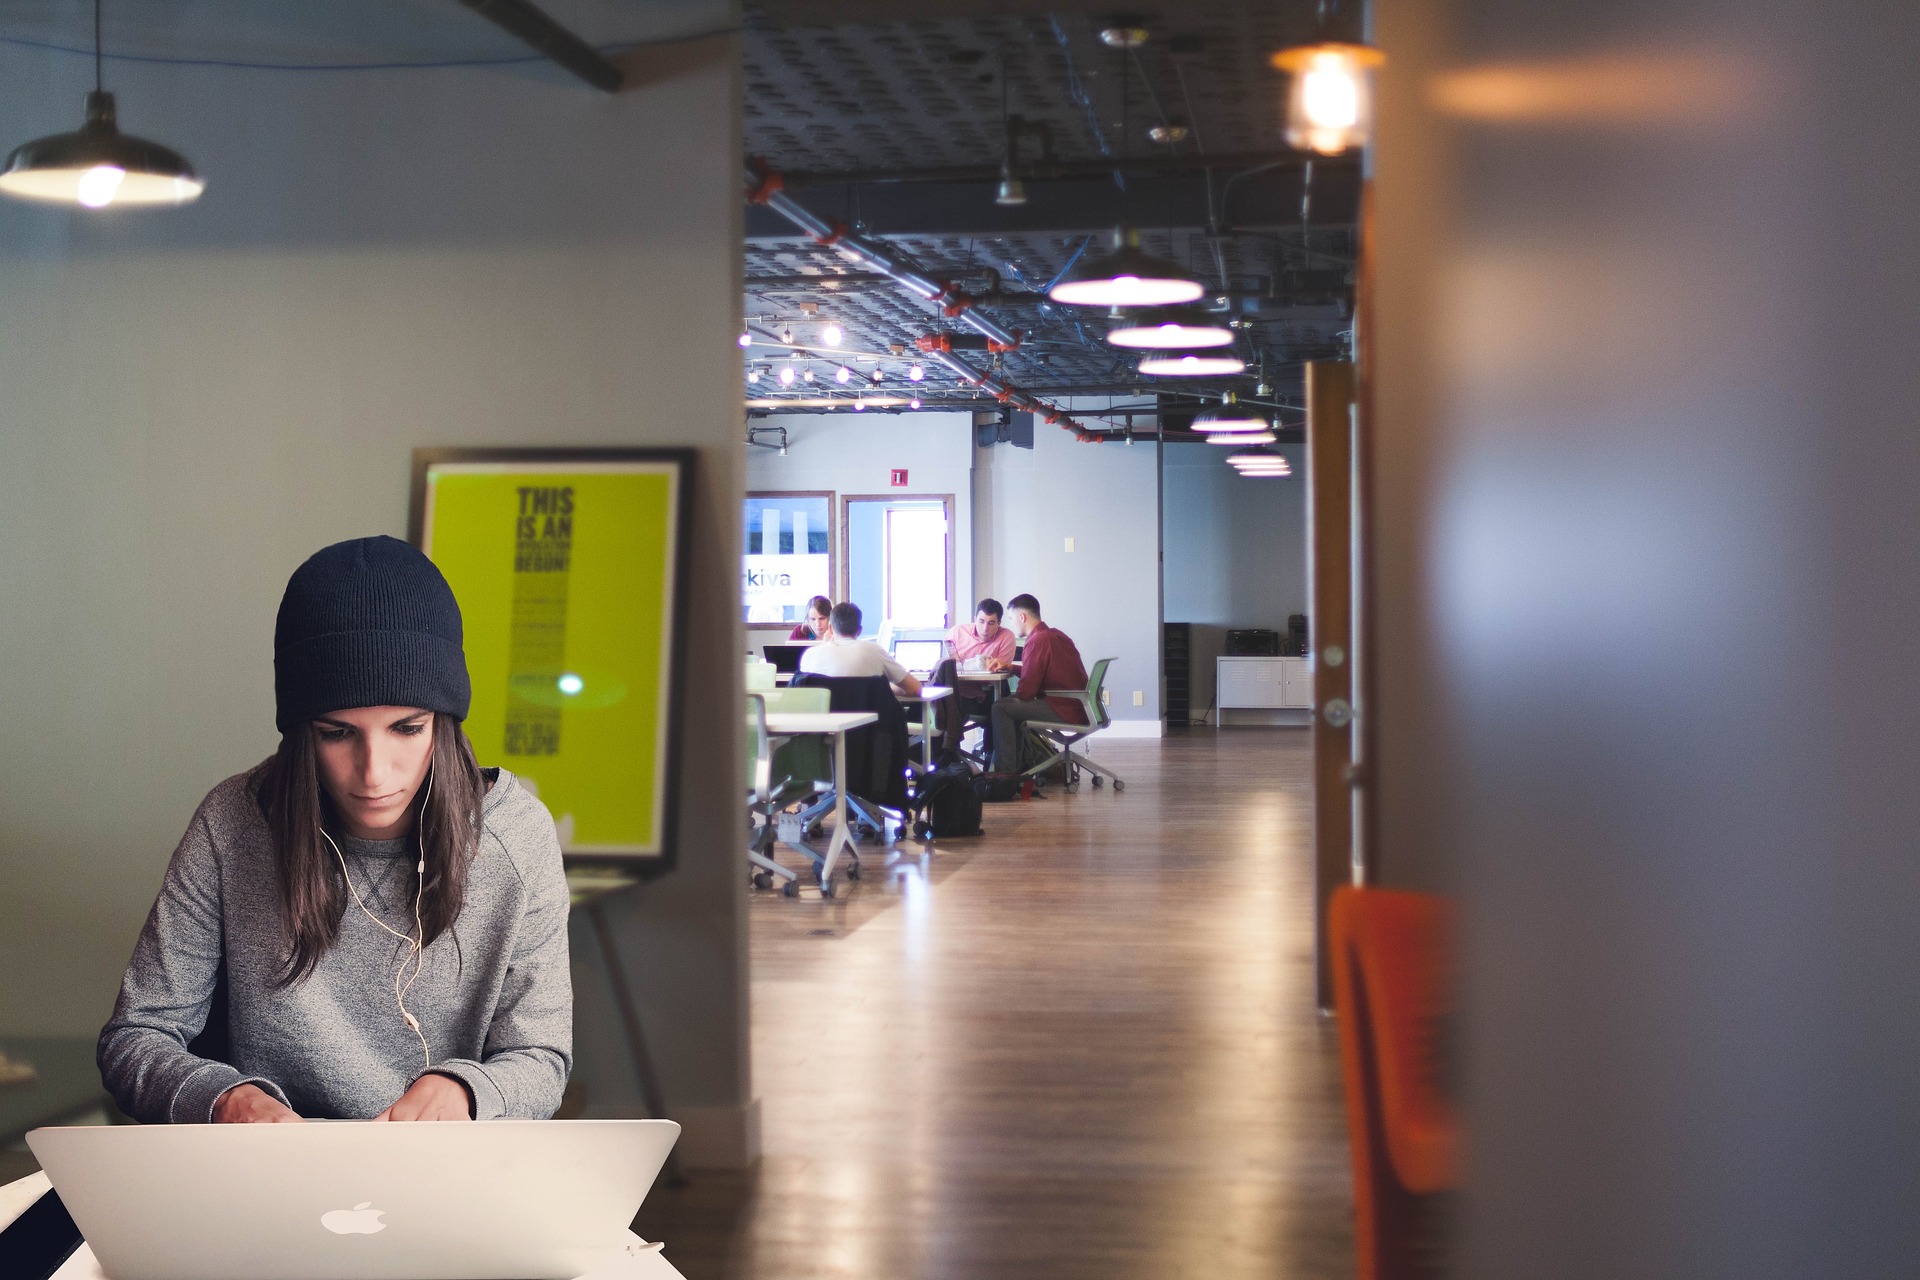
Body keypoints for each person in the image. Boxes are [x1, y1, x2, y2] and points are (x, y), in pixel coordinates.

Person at [98, 536, 572, 1124]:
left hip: (449, 1176)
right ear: (301, 734)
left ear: (443, 725)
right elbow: (137, 1037)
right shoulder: (232, 825)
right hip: (269, 1181)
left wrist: (467, 1093)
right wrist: (225, 1100)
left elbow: (542, 1059)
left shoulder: (516, 839)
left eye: (407, 728)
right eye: (336, 733)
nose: (374, 773)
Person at [990, 593, 1088, 776]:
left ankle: (1004, 776)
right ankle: (1014, 769)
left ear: (1022, 617)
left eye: (1011, 619)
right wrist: (1012, 667)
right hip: (1077, 705)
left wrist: (1014, 694)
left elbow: (1026, 693)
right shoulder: (1054, 635)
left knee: (1000, 708)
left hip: (1062, 708)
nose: (1011, 624)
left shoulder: (1037, 641)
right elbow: (1042, 673)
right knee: (1009, 706)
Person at [939, 598, 1017, 755]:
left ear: (999, 623)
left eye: (991, 623)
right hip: (956, 693)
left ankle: (993, 763)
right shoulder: (956, 633)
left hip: (986, 694)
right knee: (934, 706)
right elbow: (948, 669)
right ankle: (949, 761)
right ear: (975, 619)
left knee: (999, 703)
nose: (985, 628)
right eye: (981, 621)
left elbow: (998, 673)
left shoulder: (1006, 637)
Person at [797, 601, 922, 696]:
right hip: (868, 728)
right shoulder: (875, 651)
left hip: (824, 727)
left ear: (830, 628)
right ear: (859, 630)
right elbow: (915, 688)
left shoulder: (810, 655)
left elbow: (804, 695)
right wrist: (886, 688)